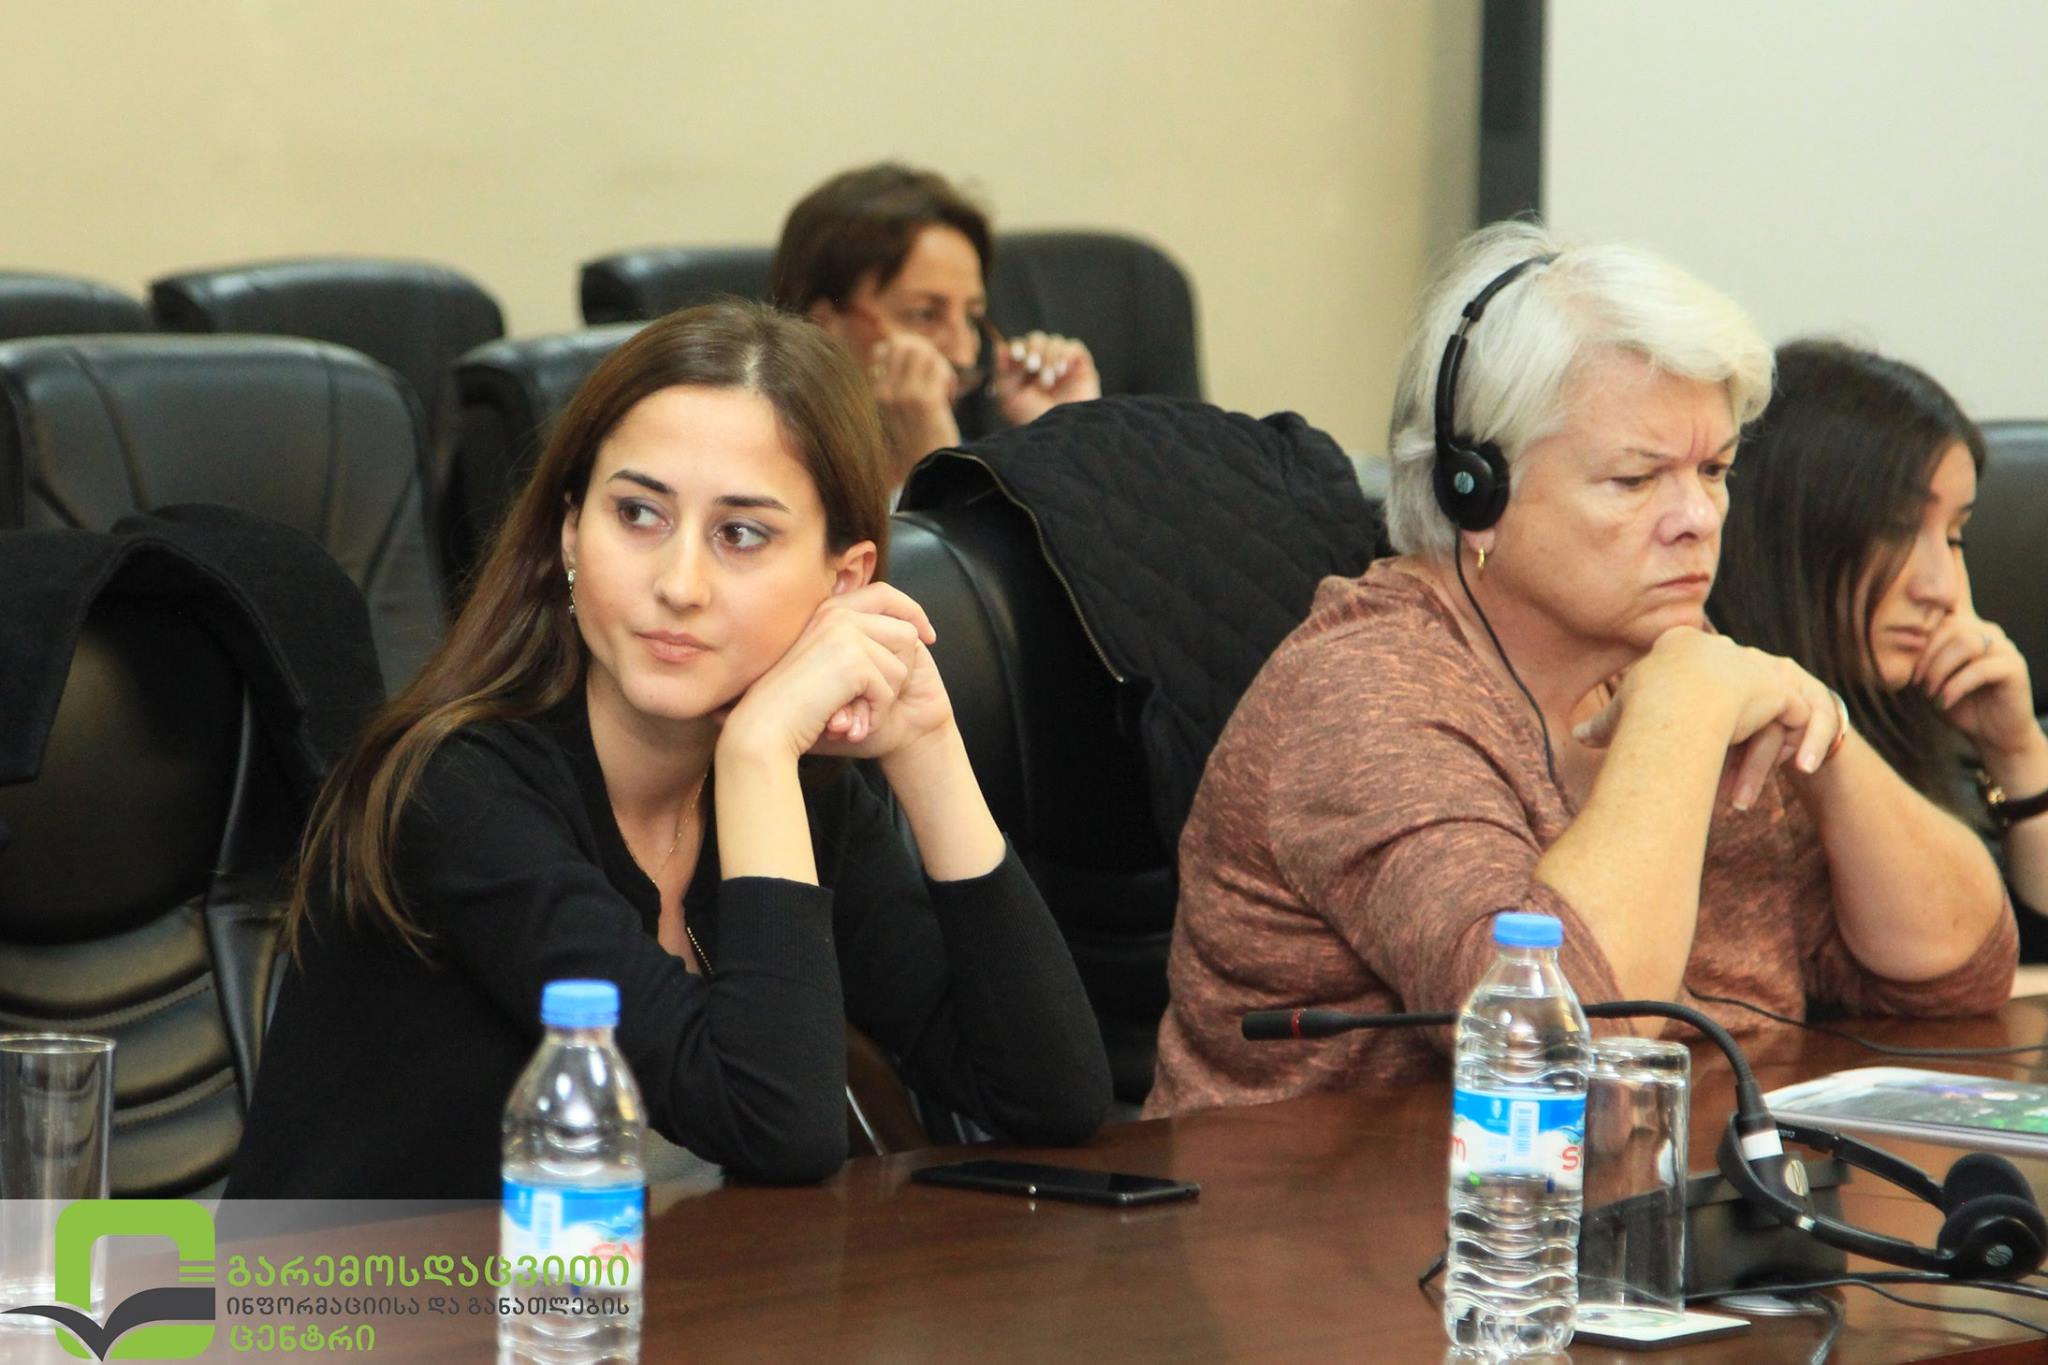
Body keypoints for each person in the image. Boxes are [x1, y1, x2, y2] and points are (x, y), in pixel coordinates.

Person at [228, 301, 1110, 1197]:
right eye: (638, 513)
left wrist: (926, 739)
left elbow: (1052, 1093)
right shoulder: (457, 791)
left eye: (741, 533)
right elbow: (777, 1126)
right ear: (570, 535)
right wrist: (757, 754)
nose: (679, 584)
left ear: (843, 582)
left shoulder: (806, 798)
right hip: (346, 1284)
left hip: (612, 1277)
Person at [1145, 223, 2016, 1117]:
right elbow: (1552, 1036)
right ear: (1475, 493)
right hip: (1350, 1199)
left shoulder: (1680, 656)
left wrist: (1825, 749)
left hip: (1668, 1176)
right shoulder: (1365, 693)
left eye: (1714, 469)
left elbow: (1960, 974)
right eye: (1637, 480)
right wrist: (1679, 718)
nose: (1698, 517)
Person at [1714, 340, 2048, 965]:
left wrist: (2018, 752)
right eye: (1897, 528)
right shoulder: (1721, 722)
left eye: (1955, 537)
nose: (1941, 588)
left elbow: (2002, 956)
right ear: (1794, 530)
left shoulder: (1909, 714)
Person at [770, 162, 1100, 487]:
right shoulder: (769, 475)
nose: (963, 353)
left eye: (971, 317)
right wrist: (932, 467)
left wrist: (1063, 439)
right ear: (822, 326)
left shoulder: (983, 466)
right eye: (925, 315)